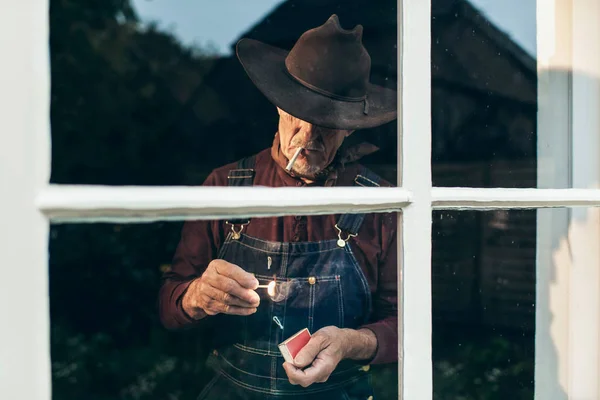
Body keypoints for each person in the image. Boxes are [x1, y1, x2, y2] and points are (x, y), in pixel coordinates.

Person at [159, 14, 398, 399]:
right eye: (299, 118)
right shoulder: (224, 187)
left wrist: (351, 343)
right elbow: (169, 308)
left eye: (326, 125)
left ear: (352, 126)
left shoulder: (381, 204)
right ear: (279, 105)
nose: (307, 138)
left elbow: (408, 324)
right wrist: (197, 296)